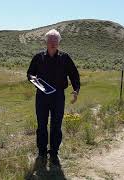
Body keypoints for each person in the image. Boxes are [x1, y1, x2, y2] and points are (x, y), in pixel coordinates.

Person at [27, 29, 80, 164]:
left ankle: (54, 153)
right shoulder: (38, 57)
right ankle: (42, 152)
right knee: (42, 125)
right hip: (42, 96)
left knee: (56, 125)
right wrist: (36, 81)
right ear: (46, 42)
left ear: (59, 42)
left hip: (58, 97)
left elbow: (74, 74)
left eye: (55, 40)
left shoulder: (65, 58)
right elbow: (30, 74)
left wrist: (76, 90)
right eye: (50, 40)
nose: (53, 43)